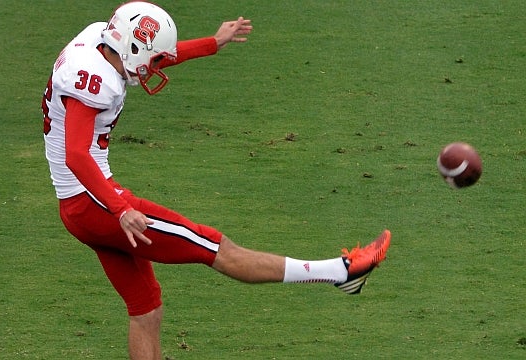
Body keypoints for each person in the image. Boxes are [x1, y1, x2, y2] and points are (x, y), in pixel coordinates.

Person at [41, 2, 391, 359]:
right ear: (130, 48)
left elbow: (149, 56)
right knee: (216, 248)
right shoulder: (94, 81)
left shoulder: (100, 40)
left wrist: (212, 42)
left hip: (80, 205)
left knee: (146, 309)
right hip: (96, 202)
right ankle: (340, 272)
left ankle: (340, 273)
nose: (156, 66)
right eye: (153, 59)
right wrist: (119, 209)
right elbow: (76, 155)